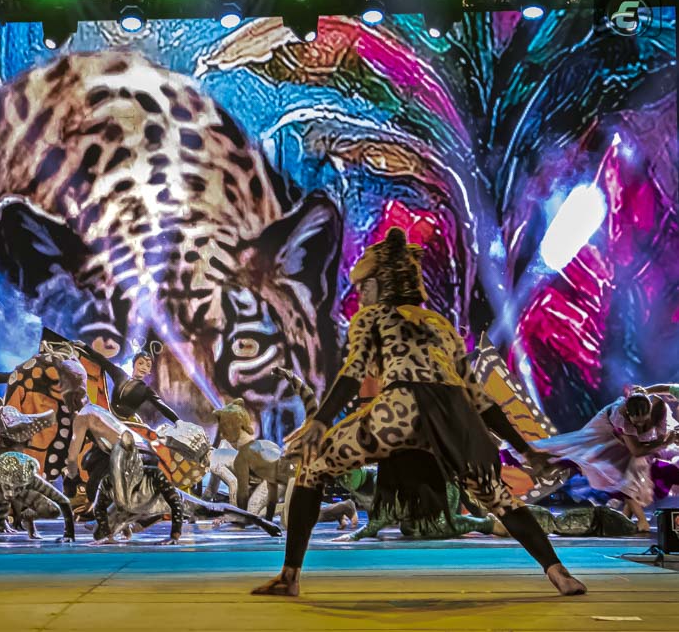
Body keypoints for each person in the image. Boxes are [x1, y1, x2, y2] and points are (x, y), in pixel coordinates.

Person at [252, 227, 586, 598]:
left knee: (313, 467)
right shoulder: (441, 325)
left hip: (402, 408)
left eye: (363, 288)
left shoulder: (374, 317)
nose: (359, 296)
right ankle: (560, 573)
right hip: (455, 419)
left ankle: (290, 577)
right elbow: (480, 401)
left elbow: (353, 372)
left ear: (378, 285)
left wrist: (320, 420)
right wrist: (525, 450)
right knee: (498, 499)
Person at [510, 387, 679, 532]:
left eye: (644, 421)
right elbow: (637, 450)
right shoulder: (621, 417)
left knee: (633, 471)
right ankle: (545, 463)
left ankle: (626, 518)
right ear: (629, 414)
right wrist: (663, 443)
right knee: (591, 458)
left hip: (629, 442)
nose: (640, 426)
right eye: (637, 422)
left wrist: (661, 443)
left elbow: (657, 437)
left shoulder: (659, 407)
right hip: (604, 432)